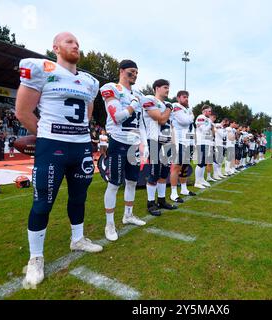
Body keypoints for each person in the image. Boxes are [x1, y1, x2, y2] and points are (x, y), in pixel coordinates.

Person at [15, 32, 103, 287]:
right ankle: (36, 257)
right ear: (55, 47)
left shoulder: (89, 81)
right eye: (69, 42)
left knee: (79, 197)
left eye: (77, 43)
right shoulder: (42, 69)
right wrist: (46, 135)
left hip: (81, 147)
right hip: (52, 147)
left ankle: (77, 239)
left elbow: (86, 117)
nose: (75, 45)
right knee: (43, 201)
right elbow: (22, 112)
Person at [99, 59, 147, 242]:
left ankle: (128, 214)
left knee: (132, 182)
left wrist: (144, 145)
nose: (134, 75)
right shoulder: (112, 88)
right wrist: (133, 104)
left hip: (134, 144)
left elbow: (141, 122)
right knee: (114, 184)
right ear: (121, 71)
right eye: (131, 72)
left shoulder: (138, 94)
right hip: (118, 141)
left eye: (136, 72)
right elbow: (117, 117)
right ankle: (109, 223)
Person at [142, 79, 177, 215]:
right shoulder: (150, 99)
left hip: (166, 142)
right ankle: (150, 203)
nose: (167, 90)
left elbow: (170, 125)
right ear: (157, 88)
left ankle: (161, 200)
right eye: (165, 87)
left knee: (164, 173)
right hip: (154, 140)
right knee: (154, 173)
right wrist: (168, 108)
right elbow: (161, 119)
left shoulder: (166, 105)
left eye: (168, 87)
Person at [169, 90, 196, 203]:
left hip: (188, 142)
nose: (186, 99)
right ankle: (173, 193)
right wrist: (191, 116)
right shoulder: (176, 106)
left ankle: (184, 189)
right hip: (179, 141)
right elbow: (185, 121)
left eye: (187, 97)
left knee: (185, 166)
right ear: (178, 97)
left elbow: (190, 125)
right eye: (184, 97)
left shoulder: (187, 109)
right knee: (176, 167)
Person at [194, 105, 214, 188]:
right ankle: (197, 181)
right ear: (204, 111)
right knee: (200, 163)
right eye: (209, 111)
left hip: (206, 142)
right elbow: (204, 129)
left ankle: (201, 179)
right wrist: (210, 124)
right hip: (200, 142)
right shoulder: (201, 117)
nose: (210, 113)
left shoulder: (207, 119)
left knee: (203, 163)